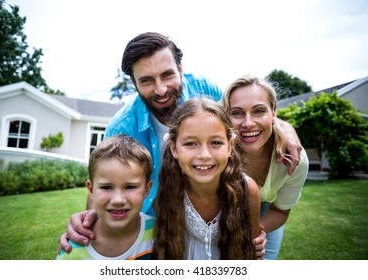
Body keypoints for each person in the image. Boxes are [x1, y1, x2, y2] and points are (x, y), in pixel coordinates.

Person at [59, 32, 301, 255]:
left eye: (167, 75)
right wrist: (89, 220)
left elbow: (245, 116)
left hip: (233, 209)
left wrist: (283, 127)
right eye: (146, 80)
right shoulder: (121, 127)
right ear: (133, 83)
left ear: (181, 68)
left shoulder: (205, 89)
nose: (161, 89)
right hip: (167, 223)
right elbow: (105, 175)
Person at [153, 97, 260, 260]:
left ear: (230, 145)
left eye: (216, 142)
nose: (204, 155)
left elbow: (252, 255)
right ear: (174, 148)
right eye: (190, 144)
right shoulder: (166, 189)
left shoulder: (247, 189)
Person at [221, 75, 309, 260]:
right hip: (226, 211)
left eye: (259, 111)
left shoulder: (294, 158)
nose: (248, 123)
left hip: (269, 212)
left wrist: (252, 233)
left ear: (274, 112)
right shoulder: (218, 151)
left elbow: (280, 211)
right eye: (237, 113)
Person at [56, 135, 155, 260]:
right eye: (107, 187)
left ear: (147, 189)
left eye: (130, 187)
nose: (118, 200)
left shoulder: (160, 236)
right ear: (91, 189)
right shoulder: (72, 253)